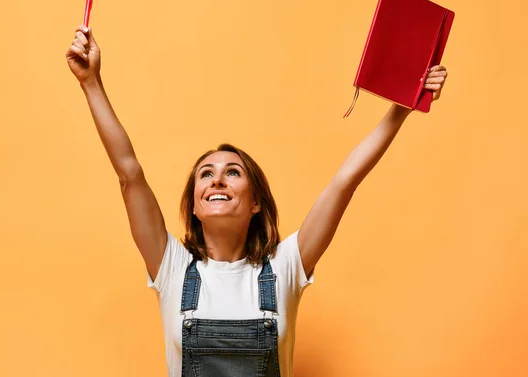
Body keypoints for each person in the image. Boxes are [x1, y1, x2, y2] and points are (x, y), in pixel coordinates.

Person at [66, 24, 448, 377]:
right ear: (195, 207)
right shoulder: (172, 269)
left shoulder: (285, 267)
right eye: (205, 173)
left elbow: (344, 182)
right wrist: (91, 82)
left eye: (233, 172)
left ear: (255, 203)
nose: (217, 178)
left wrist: (401, 109)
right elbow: (129, 173)